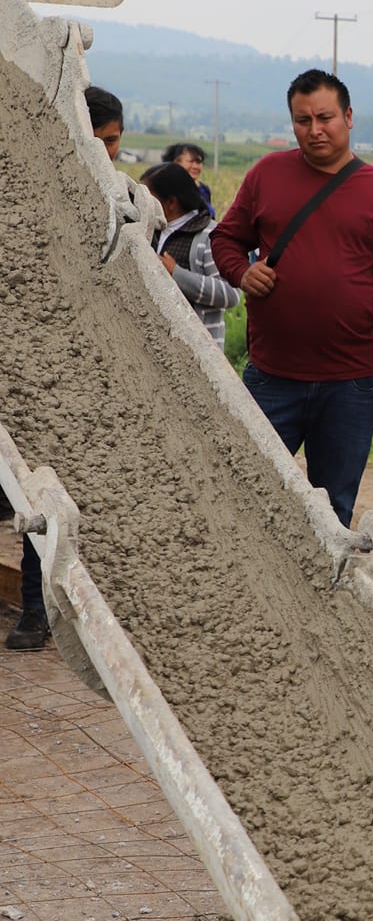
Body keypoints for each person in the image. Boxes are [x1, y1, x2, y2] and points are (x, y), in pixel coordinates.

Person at [210, 69, 373, 527]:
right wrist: (242, 272)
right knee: (249, 496)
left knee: (334, 510)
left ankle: (324, 597)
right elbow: (225, 238)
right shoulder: (267, 173)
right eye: (302, 120)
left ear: (348, 117)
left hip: (349, 384)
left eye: (325, 117)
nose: (315, 129)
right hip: (271, 377)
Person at [7, 85, 134, 654]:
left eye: (115, 144)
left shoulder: (122, 200)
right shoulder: (23, 192)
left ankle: (40, 613)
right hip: (21, 379)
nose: (108, 155)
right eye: (99, 142)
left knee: (54, 503)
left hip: (85, 382)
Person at [143, 163, 239, 348]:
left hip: (198, 350)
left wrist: (176, 274)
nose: (144, 203)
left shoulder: (211, 236)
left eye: (150, 199)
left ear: (171, 202)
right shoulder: (152, 230)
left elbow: (230, 294)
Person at [162, 141, 212, 211]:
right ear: (176, 163)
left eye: (198, 162)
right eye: (191, 161)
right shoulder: (165, 188)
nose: (195, 166)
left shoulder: (204, 190)